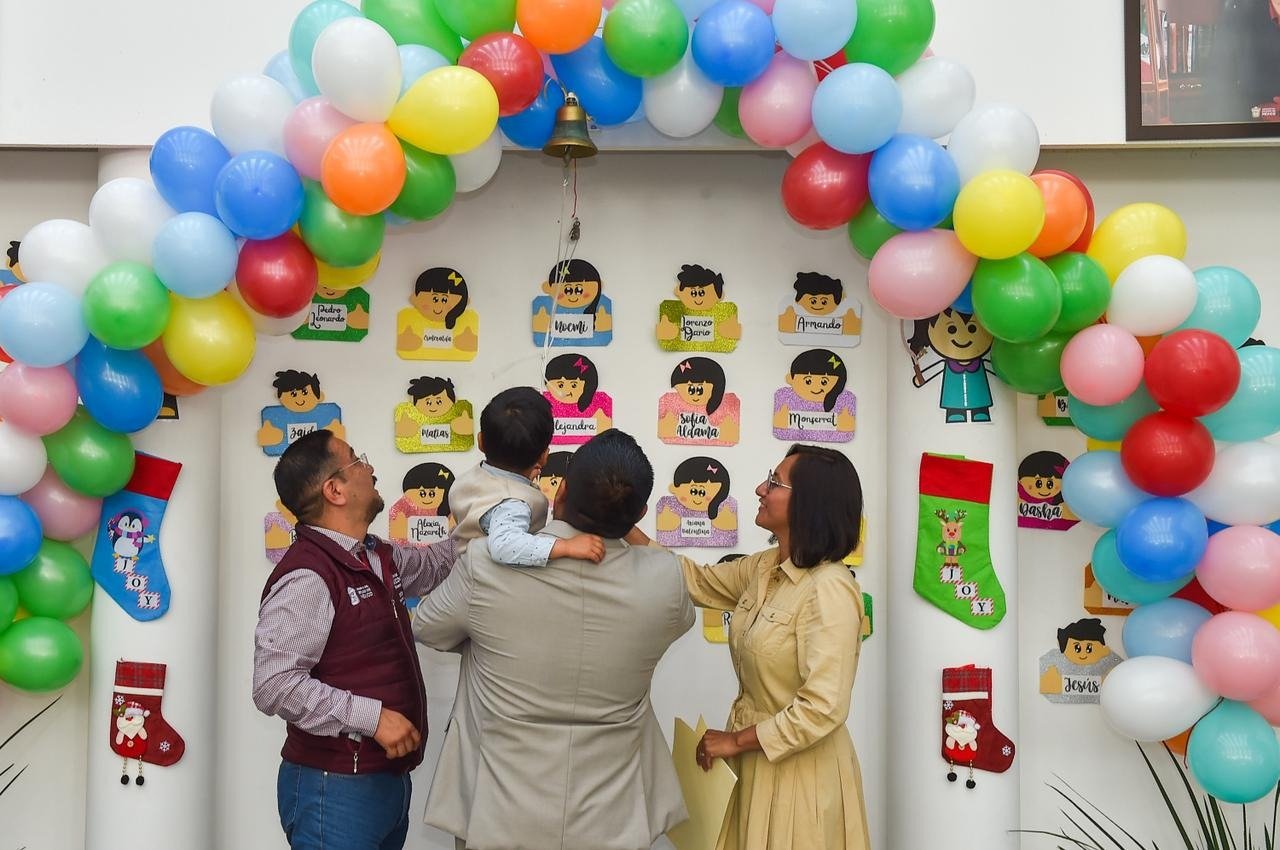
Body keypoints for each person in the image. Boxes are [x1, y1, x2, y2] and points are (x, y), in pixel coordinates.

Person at [414, 429, 695, 850]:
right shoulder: (665, 579)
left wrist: (483, 639)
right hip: (614, 819)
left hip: (496, 813)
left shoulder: (486, 564)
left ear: (559, 491)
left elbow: (427, 627)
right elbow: (680, 622)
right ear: (639, 514)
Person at [629, 444, 869, 850]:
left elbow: (823, 707)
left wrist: (735, 741)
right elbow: (695, 580)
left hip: (800, 775)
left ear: (809, 503)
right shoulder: (764, 566)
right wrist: (621, 524)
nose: (761, 488)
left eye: (775, 482)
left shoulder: (829, 589)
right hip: (752, 762)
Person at [253, 429, 457, 850]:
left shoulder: (375, 555)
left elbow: (436, 563)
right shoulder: (308, 575)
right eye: (357, 460)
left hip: (384, 780)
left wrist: (487, 518)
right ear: (335, 490)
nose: (371, 467)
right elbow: (274, 684)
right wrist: (373, 718)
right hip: (334, 790)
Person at [450, 386, 604, 565]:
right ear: (544, 457)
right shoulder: (514, 503)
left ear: (480, 441)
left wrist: (522, 482)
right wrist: (565, 546)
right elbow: (505, 547)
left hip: (461, 559)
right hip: (487, 573)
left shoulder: (472, 478)